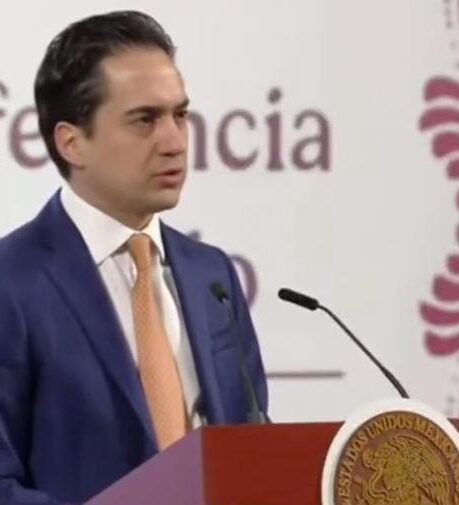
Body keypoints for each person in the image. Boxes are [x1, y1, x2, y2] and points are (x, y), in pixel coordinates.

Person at [0, 10, 268, 505]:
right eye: (145, 120)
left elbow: (252, 448)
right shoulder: (12, 282)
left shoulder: (212, 275)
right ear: (72, 143)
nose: (174, 143)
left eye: (180, 115)